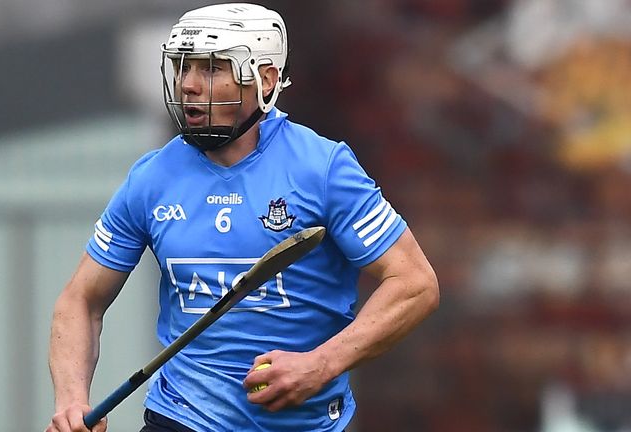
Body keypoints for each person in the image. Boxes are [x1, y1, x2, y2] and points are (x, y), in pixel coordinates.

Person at [46, 3, 439, 432]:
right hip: (180, 419)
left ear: (265, 79)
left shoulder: (322, 169)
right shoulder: (152, 177)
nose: (189, 85)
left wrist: (321, 364)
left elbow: (414, 284)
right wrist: (71, 403)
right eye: (182, 67)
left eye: (211, 69)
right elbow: (80, 301)